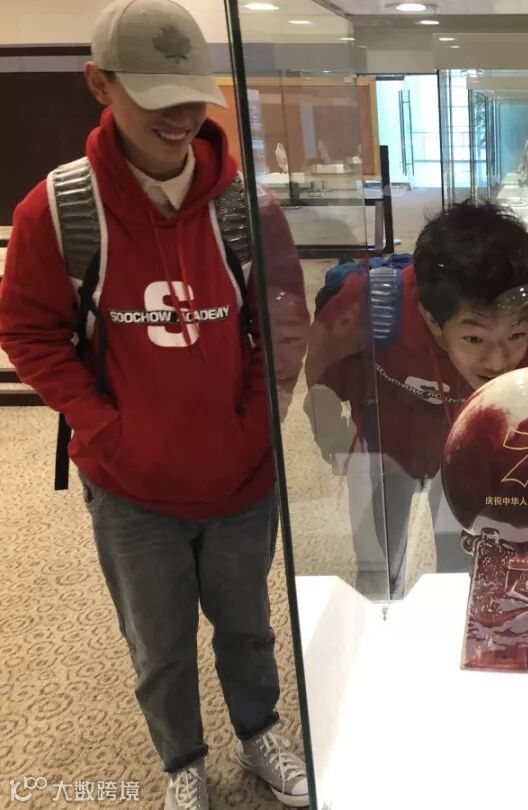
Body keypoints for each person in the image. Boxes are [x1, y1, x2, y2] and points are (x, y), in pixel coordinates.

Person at [0, 1, 309, 807]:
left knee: (248, 627)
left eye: (191, 96)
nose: (180, 117)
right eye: (154, 96)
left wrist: (255, 427)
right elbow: (29, 332)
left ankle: (259, 734)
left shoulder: (248, 208)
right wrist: (106, 428)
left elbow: (282, 328)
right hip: (131, 488)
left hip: (241, 479)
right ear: (99, 84)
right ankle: (182, 762)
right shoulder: (57, 210)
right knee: (159, 642)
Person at [304, 200, 528, 594]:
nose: (499, 361)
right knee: (379, 565)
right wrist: (329, 430)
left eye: (514, 335)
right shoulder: (371, 309)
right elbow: (321, 366)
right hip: (387, 448)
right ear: (432, 319)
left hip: (466, 452)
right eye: (475, 338)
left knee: (467, 558)